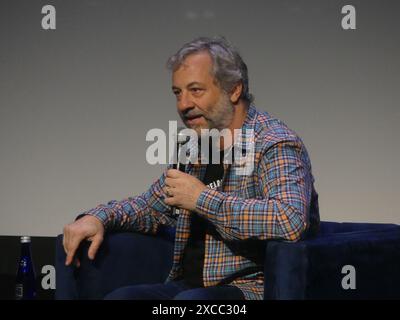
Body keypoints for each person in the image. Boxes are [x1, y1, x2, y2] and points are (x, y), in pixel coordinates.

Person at [62, 36, 320, 300]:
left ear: (233, 90)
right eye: (178, 93)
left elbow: (290, 219)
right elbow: (150, 207)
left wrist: (201, 199)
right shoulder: (197, 148)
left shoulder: (274, 142)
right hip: (188, 286)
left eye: (195, 90)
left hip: (251, 289)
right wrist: (98, 217)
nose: (183, 105)